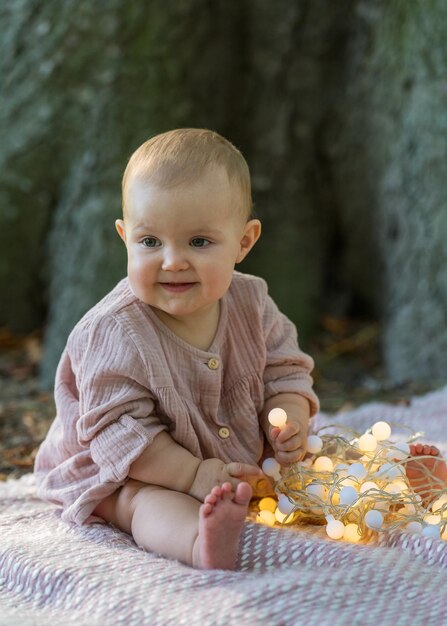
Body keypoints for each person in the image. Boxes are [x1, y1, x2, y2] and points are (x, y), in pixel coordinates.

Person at [34, 128, 320, 570]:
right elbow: (121, 435)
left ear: (244, 242)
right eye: (150, 242)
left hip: (229, 460)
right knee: (142, 503)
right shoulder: (113, 332)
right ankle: (198, 542)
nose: (172, 261)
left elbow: (285, 371)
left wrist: (289, 419)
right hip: (123, 467)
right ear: (124, 235)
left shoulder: (252, 303)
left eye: (199, 242)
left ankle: (405, 483)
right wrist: (192, 475)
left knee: (315, 466)